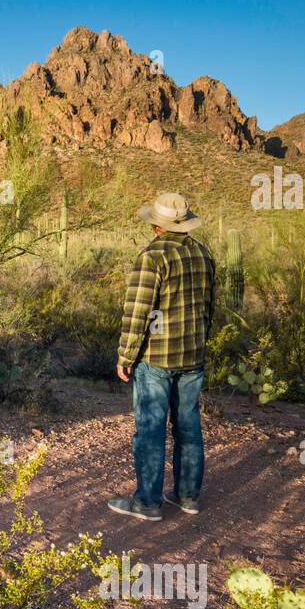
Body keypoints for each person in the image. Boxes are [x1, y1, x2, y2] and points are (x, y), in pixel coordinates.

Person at [107, 192, 215, 522]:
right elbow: (208, 308)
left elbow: (139, 311)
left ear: (156, 225)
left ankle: (148, 502)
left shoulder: (152, 256)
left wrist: (126, 354)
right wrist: (201, 342)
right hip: (192, 355)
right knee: (188, 426)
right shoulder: (202, 253)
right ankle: (188, 496)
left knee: (151, 429)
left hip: (155, 357)